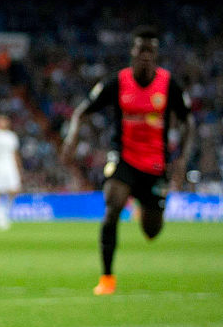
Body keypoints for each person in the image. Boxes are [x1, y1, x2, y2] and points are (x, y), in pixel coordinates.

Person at [62, 26, 194, 295]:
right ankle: (107, 278)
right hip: (124, 158)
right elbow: (81, 111)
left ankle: (145, 204)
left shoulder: (169, 85)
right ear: (132, 52)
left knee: (152, 231)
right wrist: (71, 138)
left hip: (156, 165)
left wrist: (182, 159)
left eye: (151, 50)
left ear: (156, 54)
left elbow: (187, 121)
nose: (145, 55)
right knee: (112, 209)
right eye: (140, 49)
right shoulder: (117, 83)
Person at [0, 114, 22, 230]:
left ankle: (5, 211)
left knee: (14, 189)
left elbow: (15, 153)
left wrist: (19, 168)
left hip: (10, 164)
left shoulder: (12, 136)